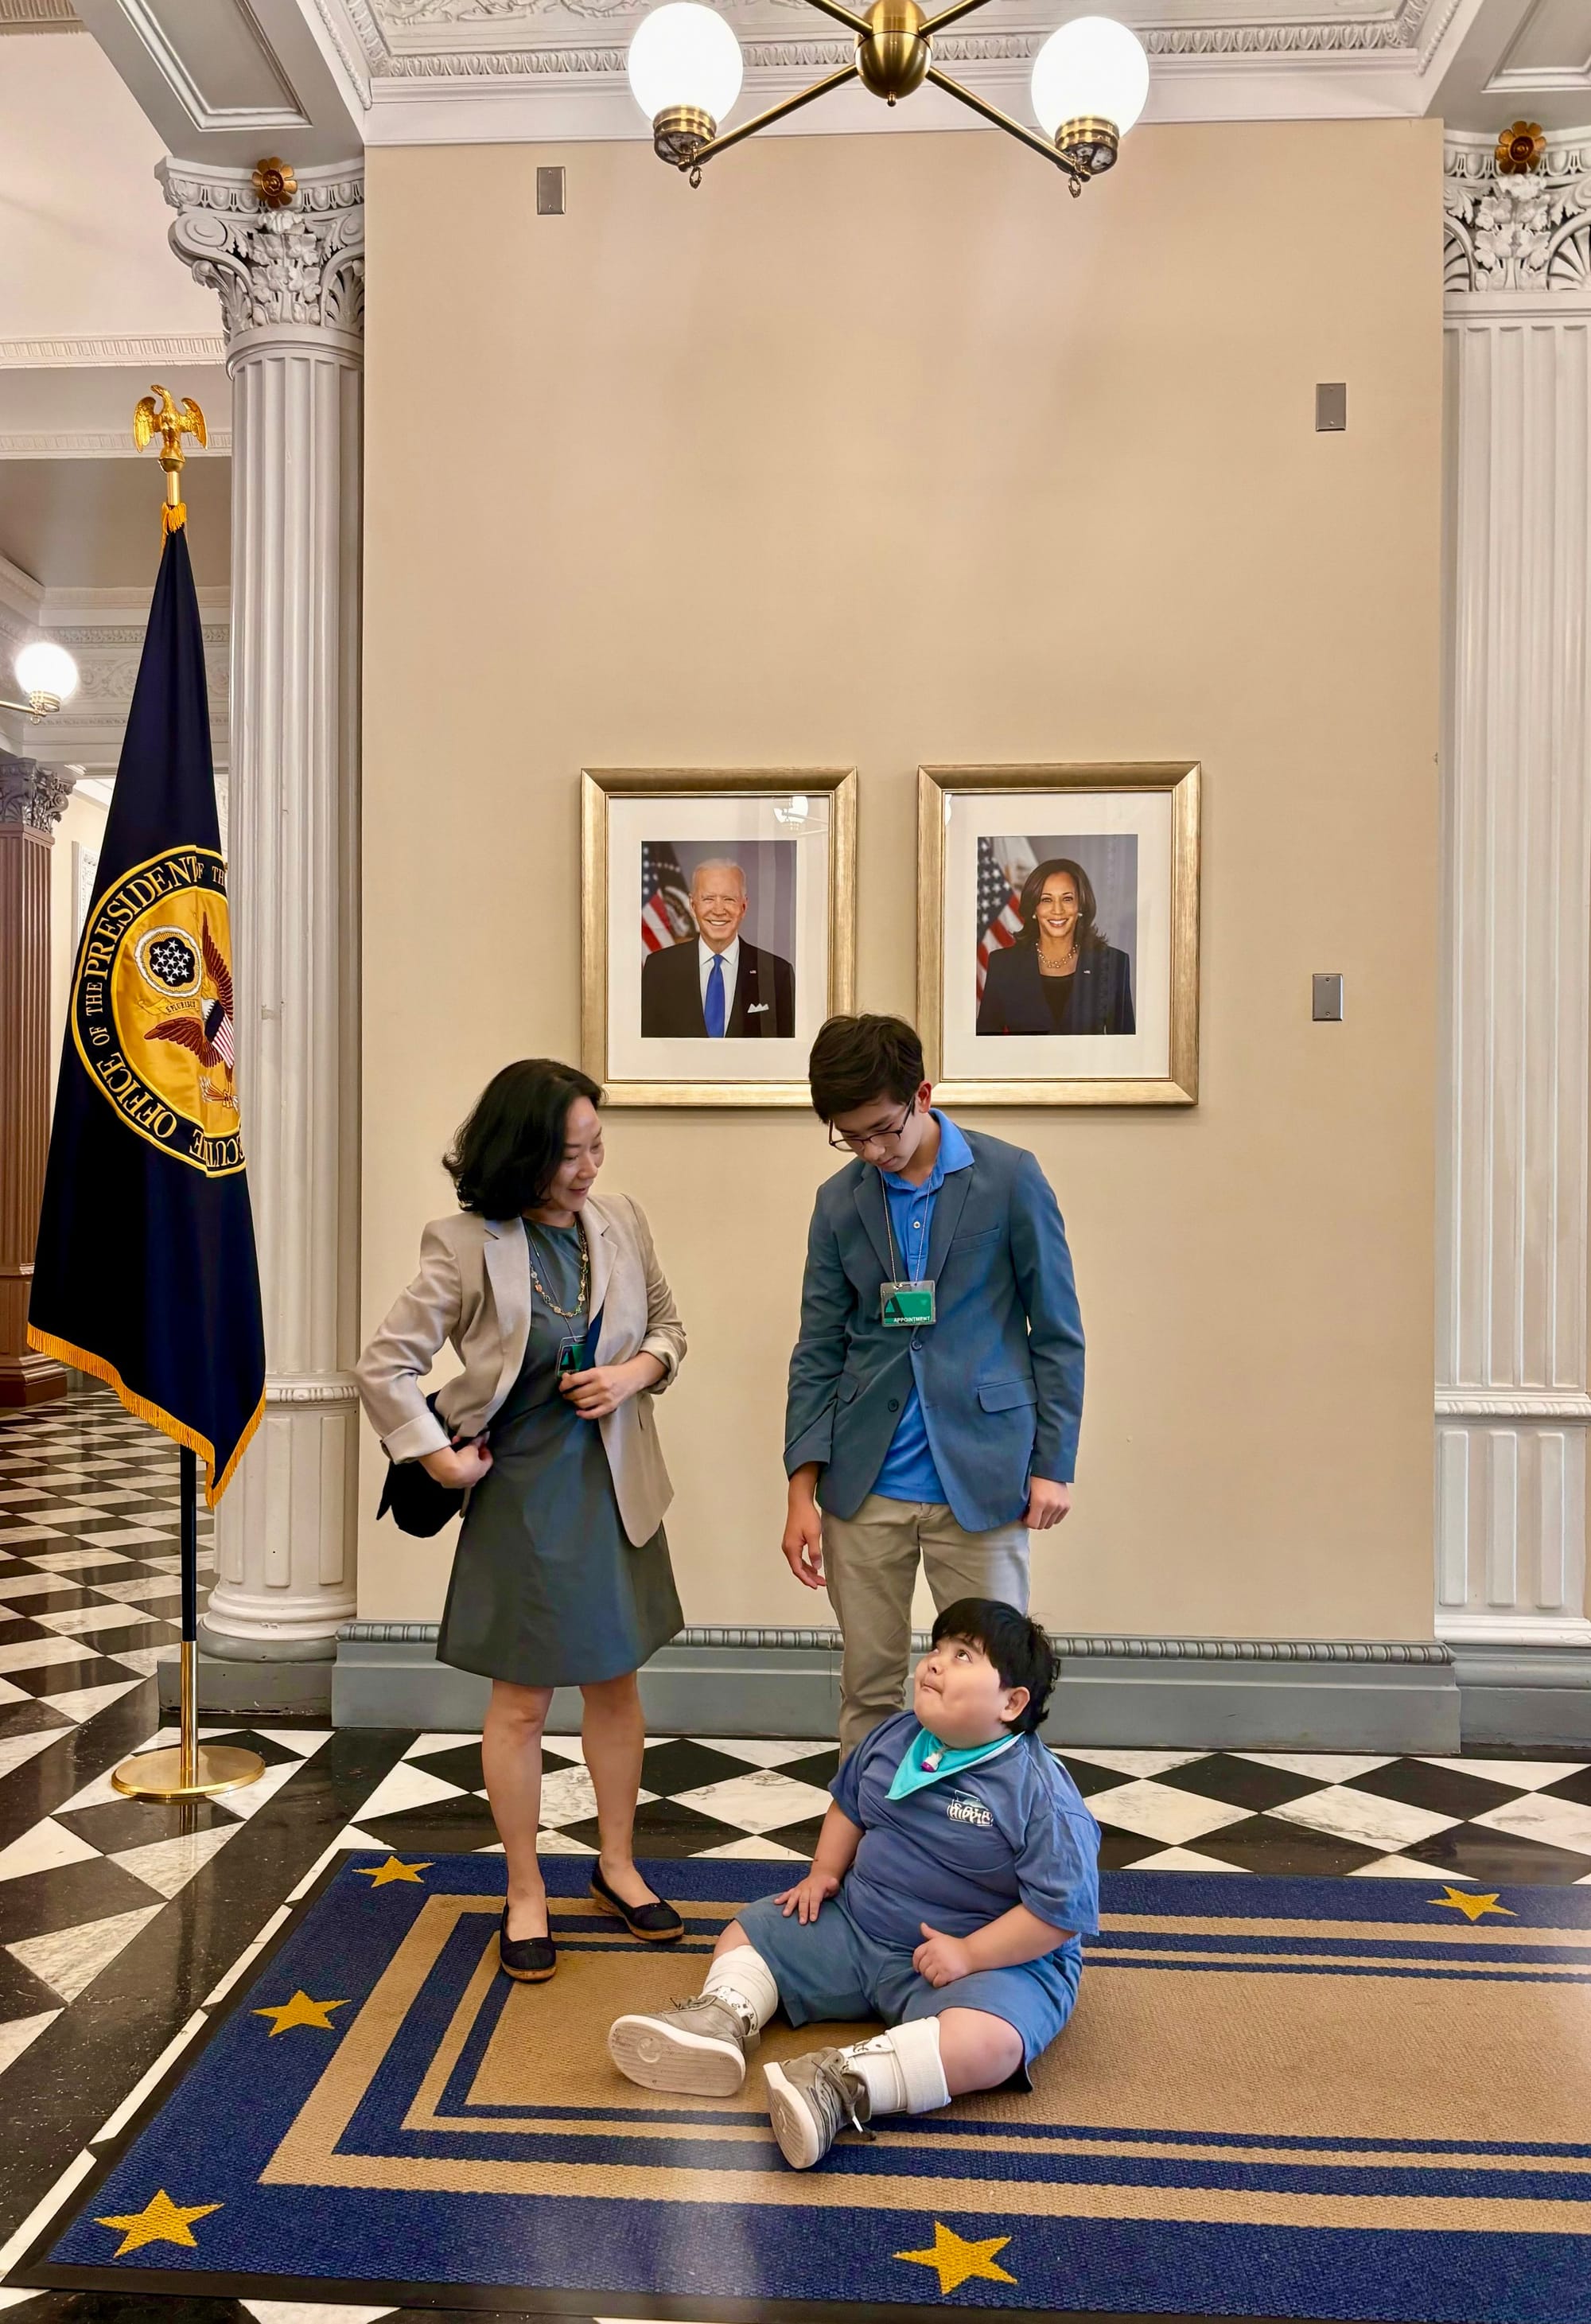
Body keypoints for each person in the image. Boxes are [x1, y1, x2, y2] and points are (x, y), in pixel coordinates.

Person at [355, 1059, 688, 1983]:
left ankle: (616, 1866)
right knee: (522, 1701)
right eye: (569, 1152)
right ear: (523, 1151)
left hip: (614, 1483)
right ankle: (526, 1887)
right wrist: (435, 1454)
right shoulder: (463, 1242)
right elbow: (383, 1364)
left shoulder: (620, 1222)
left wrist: (634, 1372)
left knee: (616, 1685)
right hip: (522, 1494)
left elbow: (669, 1327)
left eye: (595, 1147)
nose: (588, 1168)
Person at [607, 1600, 1099, 2171]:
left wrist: (970, 1952)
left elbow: (1059, 1914)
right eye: (936, 1649)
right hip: (861, 1922)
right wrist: (823, 1873)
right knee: (752, 1930)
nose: (934, 1663)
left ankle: (839, 2083)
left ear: (1012, 1702)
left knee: (990, 2043)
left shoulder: (1041, 1794)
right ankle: (720, 2021)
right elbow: (848, 1804)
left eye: (962, 1655)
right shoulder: (897, 1735)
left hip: (989, 1957)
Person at [781, 1014, 1084, 1755]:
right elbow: (818, 1346)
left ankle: (985, 1850)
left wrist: (1054, 1463)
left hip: (983, 1476)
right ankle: (866, 1854)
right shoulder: (838, 1200)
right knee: (869, 1686)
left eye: (883, 1129)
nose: (872, 1151)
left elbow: (1058, 1330)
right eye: (851, 1138)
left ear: (922, 1094)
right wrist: (801, 1489)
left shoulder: (1010, 1176)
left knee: (990, 1693)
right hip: (864, 1479)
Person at [977, 857, 1135, 1036]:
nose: (1057, 910)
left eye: (1067, 899)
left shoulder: (1114, 964)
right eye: (1046, 900)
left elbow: (1125, 1051)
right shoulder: (1003, 965)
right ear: (1034, 909)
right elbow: (986, 1047)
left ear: (1080, 906)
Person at [640, 858, 796, 1038]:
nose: (719, 910)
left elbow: (784, 1054)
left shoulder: (778, 973)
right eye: (708, 899)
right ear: (692, 905)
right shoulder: (659, 969)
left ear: (743, 907)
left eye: (729, 899)